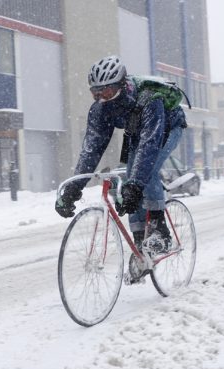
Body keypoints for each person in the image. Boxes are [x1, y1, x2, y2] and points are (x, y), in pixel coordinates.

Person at [55, 55, 187, 254]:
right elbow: (90, 151)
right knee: (128, 182)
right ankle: (141, 245)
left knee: (143, 174)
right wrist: (73, 189)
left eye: (106, 91)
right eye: (95, 93)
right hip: (137, 131)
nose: (102, 98)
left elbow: (150, 145)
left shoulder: (150, 99)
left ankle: (160, 231)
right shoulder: (100, 110)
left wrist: (135, 186)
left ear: (122, 85)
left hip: (168, 127)